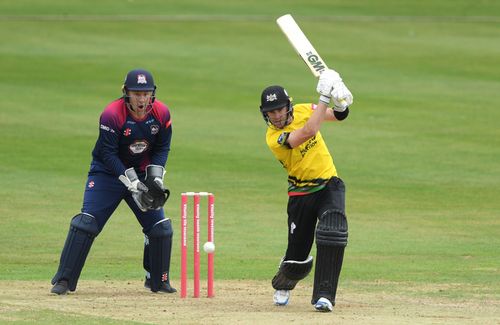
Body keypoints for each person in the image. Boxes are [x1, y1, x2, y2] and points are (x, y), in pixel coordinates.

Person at [51, 69, 176, 295]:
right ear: (126, 92)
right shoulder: (112, 114)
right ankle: (64, 280)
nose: (142, 99)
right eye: (136, 93)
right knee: (86, 224)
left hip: (141, 174)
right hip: (106, 174)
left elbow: (162, 148)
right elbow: (108, 154)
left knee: (161, 228)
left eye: (146, 93)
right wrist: (132, 183)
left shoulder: (162, 113)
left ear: (152, 94)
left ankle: (158, 281)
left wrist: (155, 177)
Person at [259, 69, 353, 312]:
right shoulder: (274, 137)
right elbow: (309, 132)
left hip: (329, 183)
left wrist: (341, 101)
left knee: (333, 232)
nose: (277, 116)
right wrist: (324, 95)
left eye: (279, 109)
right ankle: (284, 281)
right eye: (271, 112)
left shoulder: (303, 109)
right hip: (301, 193)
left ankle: (324, 296)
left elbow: (336, 117)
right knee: (298, 257)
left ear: (288, 106)